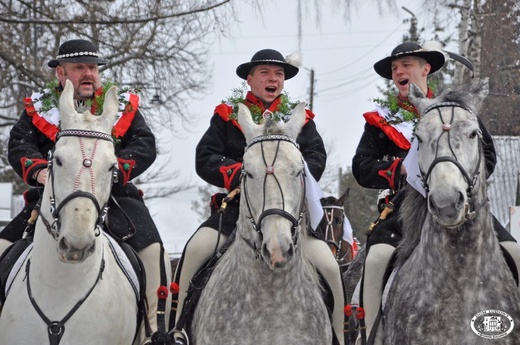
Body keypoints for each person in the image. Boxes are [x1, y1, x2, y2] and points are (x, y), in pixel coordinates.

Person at [0, 39, 172, 345]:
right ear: (61, 74)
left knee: (152, 250)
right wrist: (40, 170)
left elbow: (144, 144)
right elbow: (19, 145)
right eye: (80, 67)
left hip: (115, 197)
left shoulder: (120, 109)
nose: (88, 74)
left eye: (92, 67)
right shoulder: (40, 109)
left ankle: (153, 330)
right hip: (54, 198)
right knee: (2, 247)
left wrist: (115, 170)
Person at [171, 48, 346, 345]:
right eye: (265, 73)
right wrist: (242, 172)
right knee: (196, 249)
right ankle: (176, 330)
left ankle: (341, 336)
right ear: (250, 79)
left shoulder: (299, 120)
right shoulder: (227, 116)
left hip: (289, 213)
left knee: (328, 264)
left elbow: (316, 156)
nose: (273, 79)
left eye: (278, 74)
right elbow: (205, 158)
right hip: (239, 209)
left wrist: (289, 172)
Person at [351, 41, 520, 344]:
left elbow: (487, 156)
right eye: (394, 68)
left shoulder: (456, 112)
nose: (399, 71)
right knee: (376, 259)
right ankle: (371, 335)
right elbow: (361, 167)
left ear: (425, 69)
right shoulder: (380, 120)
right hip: (402, 208)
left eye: (407, 65)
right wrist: (397, 170)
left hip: (464, 202)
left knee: (516, 253)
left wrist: (462, 180)